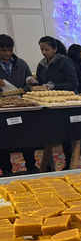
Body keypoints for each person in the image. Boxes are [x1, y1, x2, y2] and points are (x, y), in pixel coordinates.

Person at [37, 36, 81, 168]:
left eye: (47, 49)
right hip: (54, 105)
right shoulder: (42, 64)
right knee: (64, 135)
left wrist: (54, 86)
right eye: (42, 49)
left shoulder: (64, 62)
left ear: (55, 49)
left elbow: (73, 83)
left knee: (79, 133)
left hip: (70, 102)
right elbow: (41, 82)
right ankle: (69, 162)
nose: (44, 52)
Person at [0, 34, 38, 175]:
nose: (7, 53)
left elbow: (30, 84)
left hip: (22, 107)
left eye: (10, 50)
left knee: (26, 138)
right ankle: (6, 169)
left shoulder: (21, 63)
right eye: (3, 50)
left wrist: (26, 87)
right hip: (2, 109)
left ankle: (31, 166)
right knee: (3, 140)